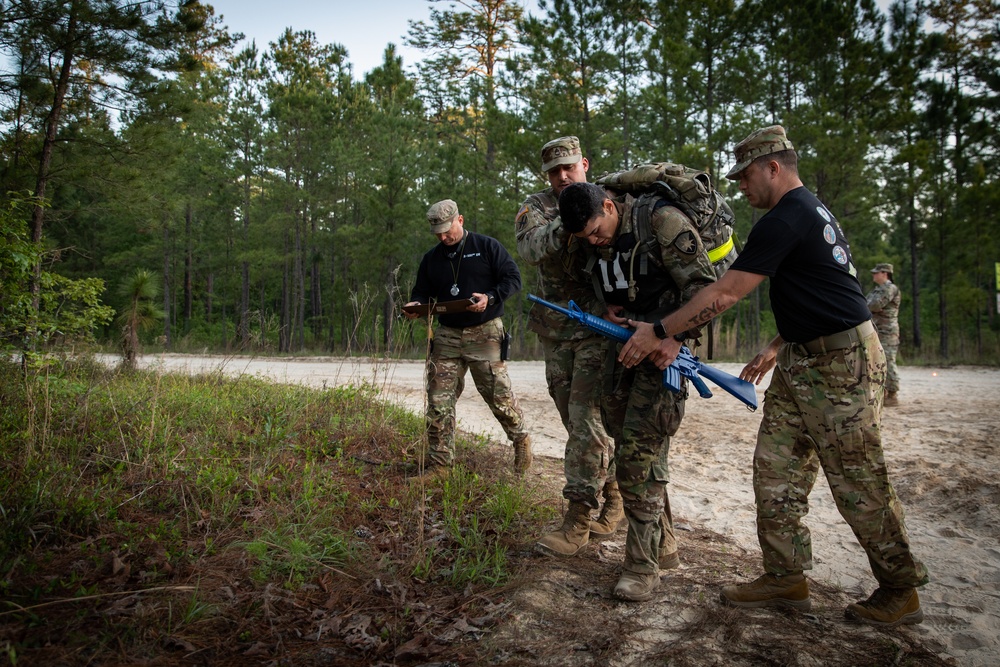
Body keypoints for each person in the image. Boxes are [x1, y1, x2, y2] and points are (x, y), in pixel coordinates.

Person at [619, 126, 929, 625]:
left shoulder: (788, 218)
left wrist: (660, 330)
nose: (741, 186)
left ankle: (900, 587)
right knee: (775, 470)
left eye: (745, 176)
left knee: (858, 479)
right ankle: (785, 577)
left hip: (841, 365)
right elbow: (824, 289)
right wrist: (777, 344)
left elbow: (723, 294)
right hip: (802, 359)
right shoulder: (805, 213)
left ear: (773, 167)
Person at [558, 180, 717, 601]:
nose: (594, 241)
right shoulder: (590, 239)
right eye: (585, 238)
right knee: (625, 441)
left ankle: (641, 567)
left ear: (610, 206)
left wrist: (672, 336)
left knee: (637, 460)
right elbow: (603, 277)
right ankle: (663, 545)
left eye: (596, 231)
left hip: (664, 350)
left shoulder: (661, 221)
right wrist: (607, 305)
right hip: (626, 345)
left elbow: (707, 288)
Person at [515, 136, 622, 558]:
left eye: (570, 168)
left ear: (585, 164)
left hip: (599, 328)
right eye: (555, 171)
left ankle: (577, 519)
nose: (562, 176)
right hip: (557, 331)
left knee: (585, 421)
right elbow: (532, 247)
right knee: (573, 420)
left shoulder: (608, 199)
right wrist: (574, 217)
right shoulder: (538, 207)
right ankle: (615, 496)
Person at [404, 199, 532, 479]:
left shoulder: (487, 247)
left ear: (460, 220)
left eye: (447, 229)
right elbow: (422, 292)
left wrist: (490, 297)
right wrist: (416, 305)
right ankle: (440, 465)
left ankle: (520, 438)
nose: (443, 236)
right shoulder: (431, 258)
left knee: (498, 395)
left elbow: (513, 279)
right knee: (438, 399)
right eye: (437, 232)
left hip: (484, 330)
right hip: (447, 334)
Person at [867, 263, 901, 406]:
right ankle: (882, 392)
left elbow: (873, 305)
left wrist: (873, 308)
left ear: (885, 274)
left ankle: (892, 394)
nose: (874, 275)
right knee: (876, 362)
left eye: (877, 272)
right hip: (876, 331)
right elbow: (864, 304)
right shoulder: (878, 290)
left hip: (888, 333)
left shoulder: (890, 288)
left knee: (888, 361)